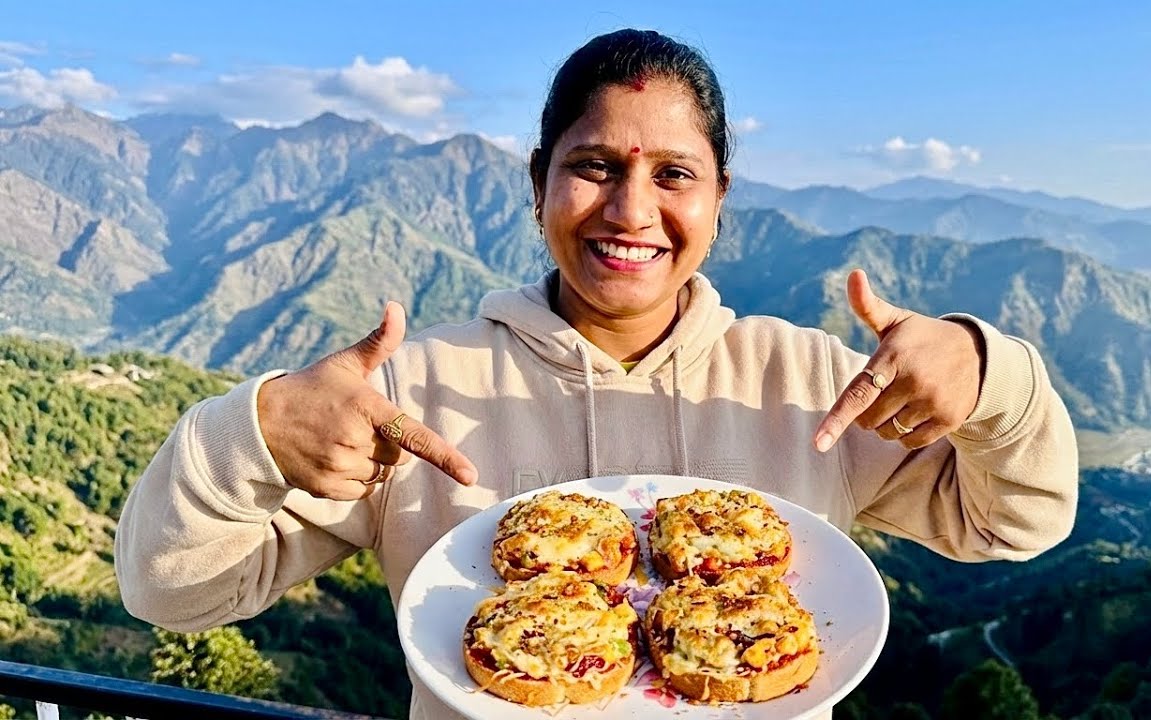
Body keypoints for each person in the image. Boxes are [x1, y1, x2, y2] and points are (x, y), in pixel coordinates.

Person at [115, 28, 1078, 720]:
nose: (630, 210)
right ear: (537, 183)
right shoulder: (408, 396)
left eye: (674, 174)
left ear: (721, 198)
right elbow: (171, 595)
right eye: (594, 166)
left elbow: (1016, 521)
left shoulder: (811, 380)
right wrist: (253, 431)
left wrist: (989, 379)